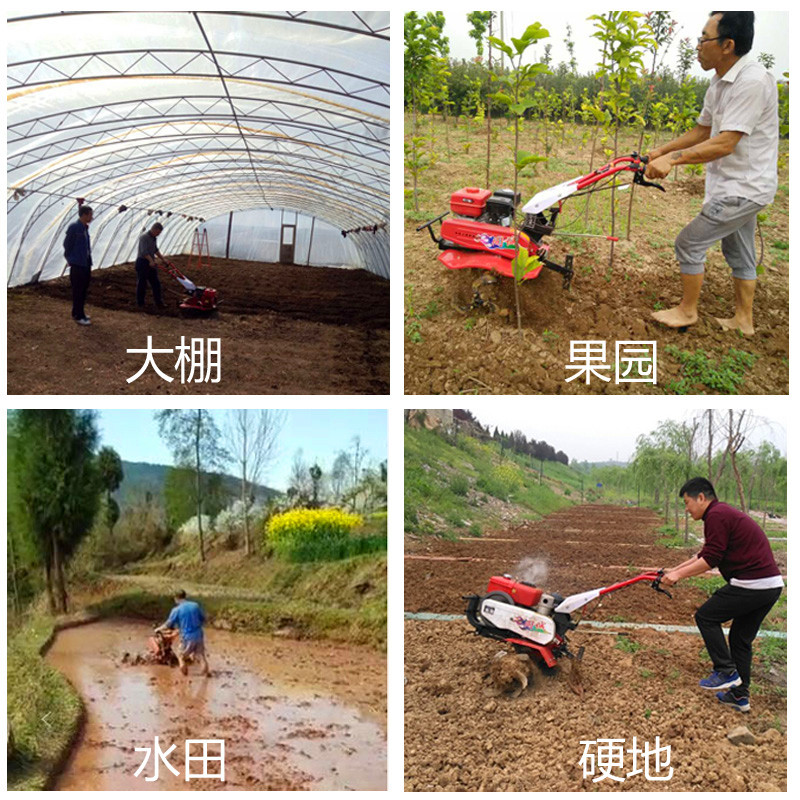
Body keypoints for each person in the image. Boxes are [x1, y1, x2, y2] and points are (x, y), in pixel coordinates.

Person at [645, 11, 778, 336]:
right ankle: (743, 321)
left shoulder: (752, 81)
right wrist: (659, 151)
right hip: (735, 184)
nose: (698, 46)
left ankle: (687, 311)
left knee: (688, 244)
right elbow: (702, 131)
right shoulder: (720, 80)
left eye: (704, 39)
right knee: (739, 251)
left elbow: (725, 143)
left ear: (727, 44)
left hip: (743, 187)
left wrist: (673, 160)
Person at [660, 477, 783, 713]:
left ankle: (725, 671)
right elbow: (704, 553)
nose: (686, 509)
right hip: (769, 585)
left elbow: (711, 559)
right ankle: (739, 696)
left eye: (687, 503)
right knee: (739, 638)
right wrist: (674, 571)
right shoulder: (721, 514)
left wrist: (679, 577)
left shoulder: (716, 515)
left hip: (752, 583)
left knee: (706, 617)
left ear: (701, 498)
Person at [155, 589, 211, 677]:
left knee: (180, 655)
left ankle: (185, 680)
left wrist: (158, 629)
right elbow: (203, 618)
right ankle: (206, 676)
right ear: (185, 596)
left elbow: (168, 624)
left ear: (176, 598)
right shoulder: (195, 605)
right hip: (199, 635)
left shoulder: (176, 610)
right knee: (201, 657)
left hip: (187, 637)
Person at [63, 205, 94, 325]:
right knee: (78, 290)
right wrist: (71, 259)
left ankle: (78, 312)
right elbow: (67, 245)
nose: (92, 217)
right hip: (77, 264)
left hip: (85, 263)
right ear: (84, 215)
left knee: (83, 289)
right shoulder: (74, 227)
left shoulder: (85, 228)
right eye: (90, 214)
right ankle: (79, 316)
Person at [136, 222, 167, 309]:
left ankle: (159, 303)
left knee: (156, 284)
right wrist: (151, 261)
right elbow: (144, 252)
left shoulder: (154, 238)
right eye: (158, 232)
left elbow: (155, 250)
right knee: (142, 284)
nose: (158, 234)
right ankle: (140, 303)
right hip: (142, 262)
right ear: (154, 229)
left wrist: (163, 259)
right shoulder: (144, 237)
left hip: (151, 263)